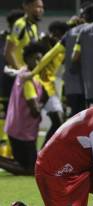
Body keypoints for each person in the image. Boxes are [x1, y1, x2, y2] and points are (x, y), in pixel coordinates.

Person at [23, 2, 93, 117]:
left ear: (84, 17)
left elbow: (50, 55)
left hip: (74, 87)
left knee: (75, 119)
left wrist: (32, 73)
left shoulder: (71, 34)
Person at [0, 42, 47, 175]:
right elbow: (34, 111)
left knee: (24, 164)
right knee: (30, 169)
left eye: (40, 59)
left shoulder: (26, 72)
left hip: (20, 129)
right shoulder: (28, 80)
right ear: (27, 59)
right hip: (22, 132)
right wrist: (44, 102)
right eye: (35, 58)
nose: (38, 62)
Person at [0, 9, 25, 158]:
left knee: (13, 115)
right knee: (5, 114)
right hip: (6, 81)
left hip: (15, 81)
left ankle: (10, 148)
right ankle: (4, 146)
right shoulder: (9, 40)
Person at [4, 0, 44, 70]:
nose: (41, 10)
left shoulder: (34, 25)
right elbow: (8, 52)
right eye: (38, 7)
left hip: (30, 74)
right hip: (20, 77)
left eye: (42, 7)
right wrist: (20, 72)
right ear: (26, 7)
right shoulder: (20, 24)